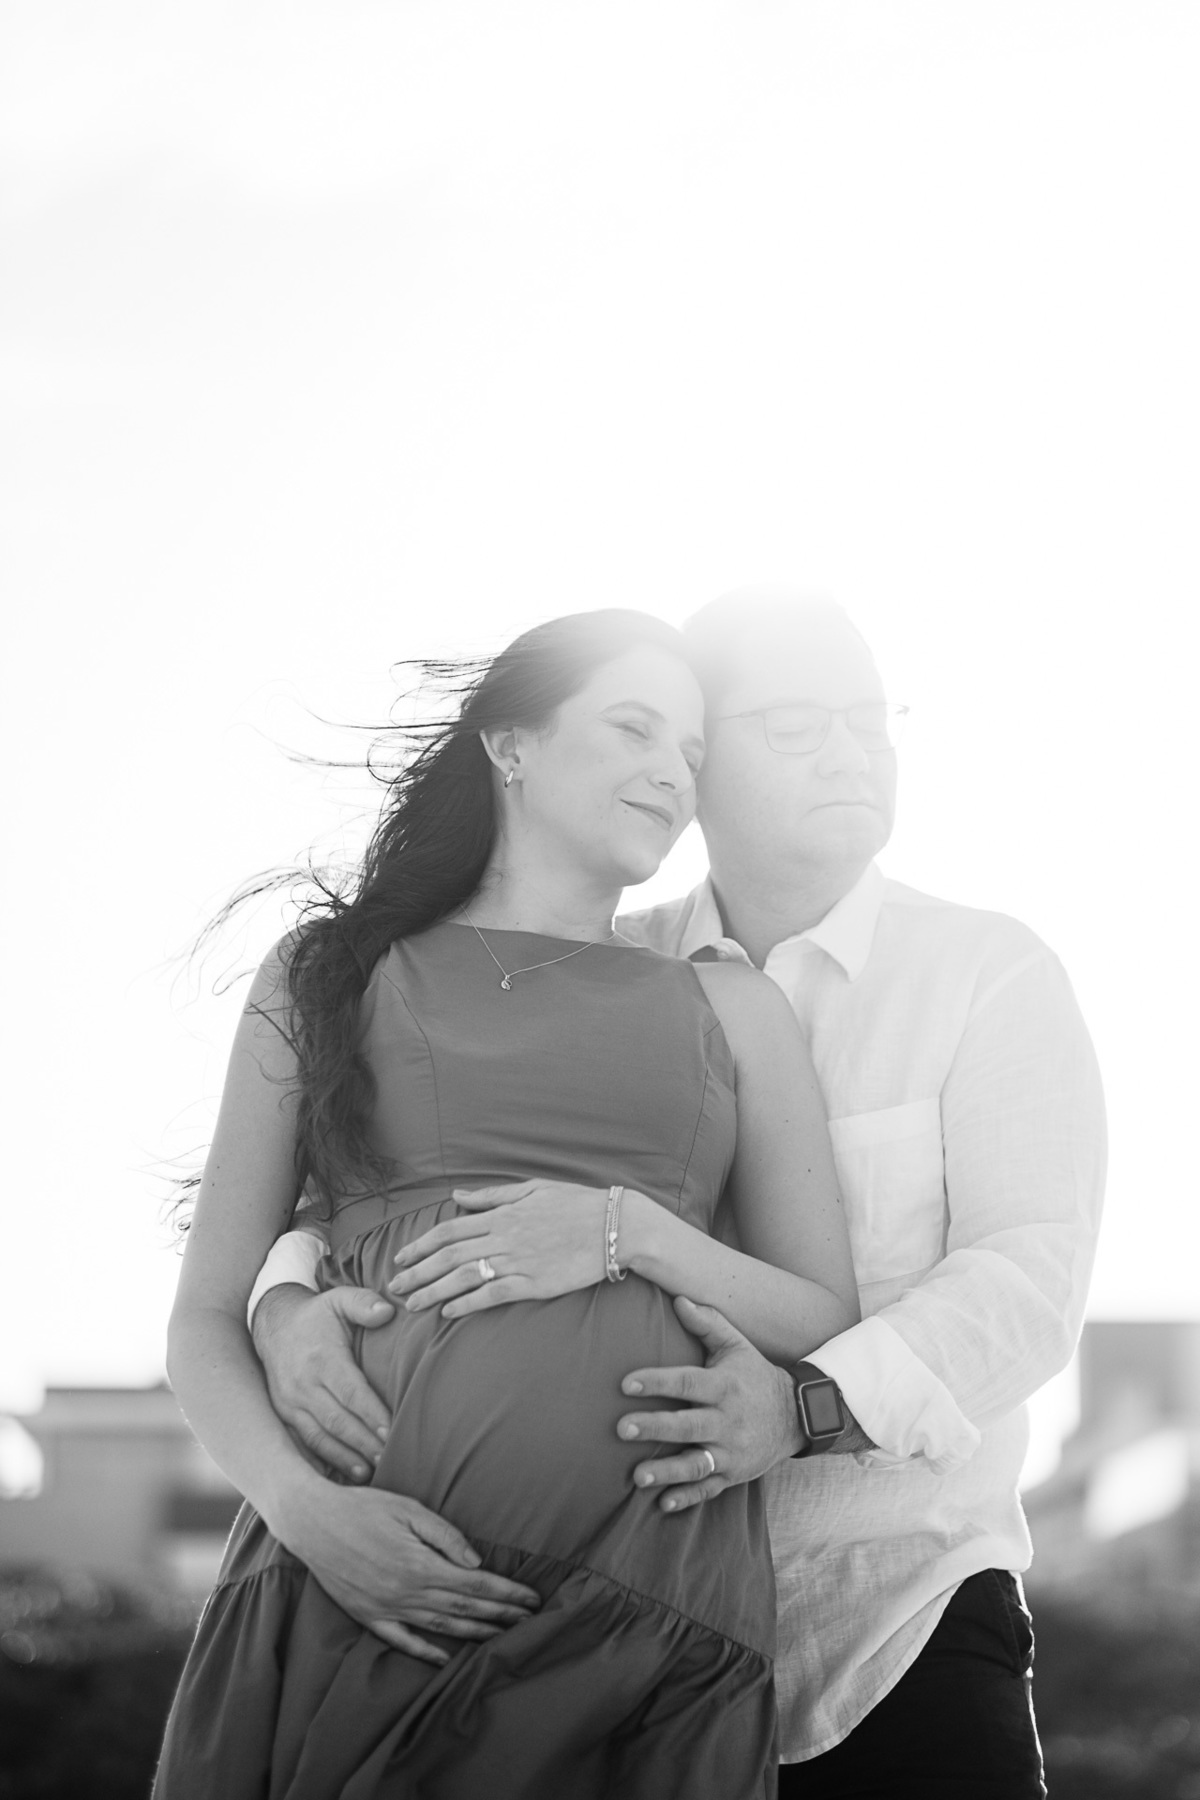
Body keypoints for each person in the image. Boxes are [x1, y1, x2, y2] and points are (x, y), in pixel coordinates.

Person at [252, 593, 1106, 1797]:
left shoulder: (990, 974)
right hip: (612, 1636)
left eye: (871, 719)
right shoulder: (600, 962)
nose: (851, 749)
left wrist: (800, 1412)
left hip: (898, 1621)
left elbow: (1026, 1291)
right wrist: (285, 1305)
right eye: (799, 722)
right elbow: (392, 1168)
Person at [154, 608, 860, 1800]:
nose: (671, 773)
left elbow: (820, 1307)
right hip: (363, 1586)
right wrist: (310, 1515)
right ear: (511, 745)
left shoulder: (732, 1011)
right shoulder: (330, 974)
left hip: (650, 1611)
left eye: (691, 752)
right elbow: (202, 1322)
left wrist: (627, 1233)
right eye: (634, 727)